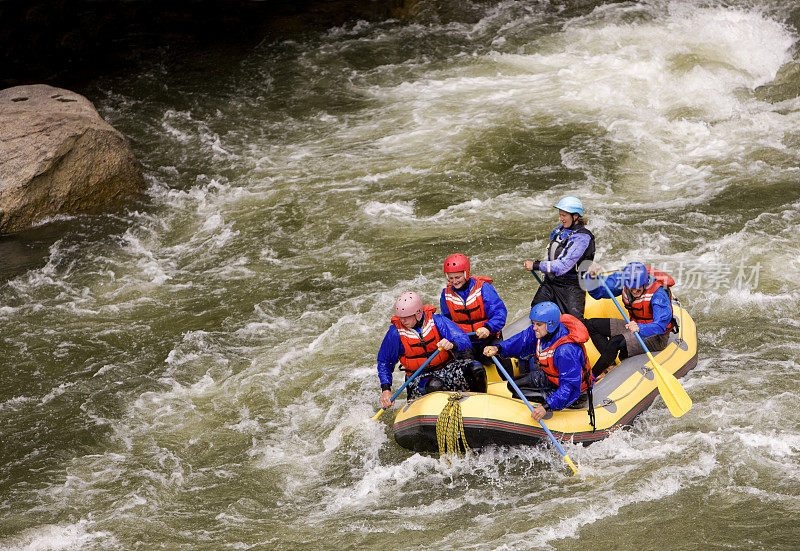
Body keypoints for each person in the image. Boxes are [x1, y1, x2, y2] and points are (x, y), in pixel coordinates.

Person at [483, 302, 594, 427]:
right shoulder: (542, 332)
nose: (534, 328)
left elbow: (570, 386)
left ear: (551, 324)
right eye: (534, 323)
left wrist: (546, 406)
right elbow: (522, 340)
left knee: (520, 393)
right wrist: (499, 348)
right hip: (552, 379)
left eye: (538, 325)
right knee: (513, 386)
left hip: (576, 394)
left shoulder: (566, 350)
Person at [377, 291, 484, 410]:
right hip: (419, 377)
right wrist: (386, 389)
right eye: (401, 318)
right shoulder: (395, 333)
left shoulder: (437, 321)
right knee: (435, 385)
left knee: (476, 369)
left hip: (446, 369)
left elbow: (464, 340)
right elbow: (384, 362)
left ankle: (480, 407)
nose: (403, 321)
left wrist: (452, 344)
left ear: (418, 314)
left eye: (406, 317)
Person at [583, 261, 676, 378]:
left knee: (616, 342)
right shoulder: (624, 283)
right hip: (634, 325)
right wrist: (590, 277)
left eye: (638, 289)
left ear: (645, 284)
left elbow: (661, 325)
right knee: (591, 325)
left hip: (655, 336)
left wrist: (640, 328)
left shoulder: (658, 295)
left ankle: (589, 379)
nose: (635, 292)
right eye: (632, 289)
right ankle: (609, 364)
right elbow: (598, 293)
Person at [522, 196, 595, 319]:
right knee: (537, 309)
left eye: (564, 216)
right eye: (560, 215)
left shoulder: (582, 238)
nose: (561, 219)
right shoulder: (558, 231)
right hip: (552, 281)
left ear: (576, 216)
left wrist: (536, 265)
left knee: (574, 322)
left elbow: (563, 266)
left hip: (572, 285)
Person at [440, 253, 508, 382]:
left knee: (502, 356)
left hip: (488, 339)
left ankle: (511, 384)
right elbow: (446, 323)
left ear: (466, 273)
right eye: (451, 278)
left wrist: (488, 328)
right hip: (465, 342)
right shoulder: (446, 295)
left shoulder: (484, 288)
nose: (454, 281)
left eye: (458, 277)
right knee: (466, 368)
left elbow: (499, 313)